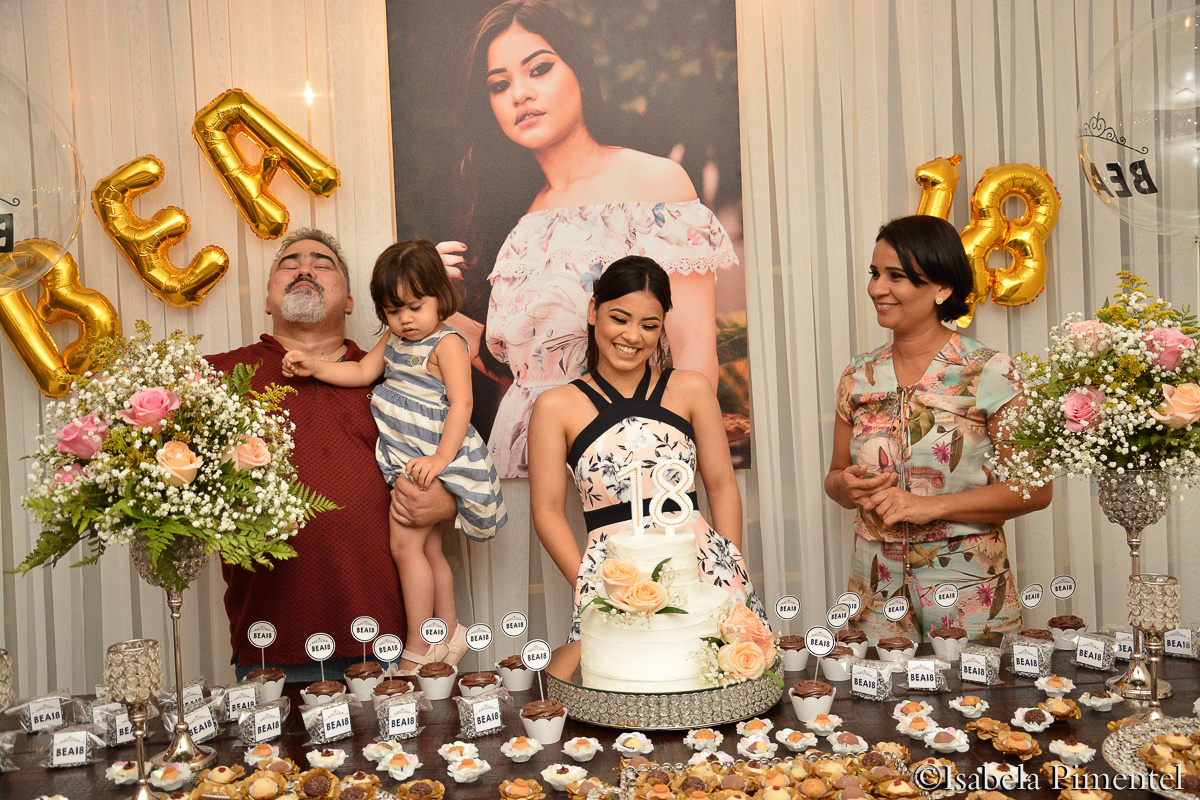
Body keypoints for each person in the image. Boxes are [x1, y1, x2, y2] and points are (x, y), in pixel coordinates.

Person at [441, 0, 739, 478]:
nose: (520, 94)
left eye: (539, 69)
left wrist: (670, 472)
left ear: (579, 74)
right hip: (519, 469)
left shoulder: (654, 184)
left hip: (627, 465)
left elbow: (693, 350)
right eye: (499, 85)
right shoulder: (515, 216)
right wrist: (430, 300)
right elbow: (519, 370)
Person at [208, 228, 456, 681]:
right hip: (270, 643)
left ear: (351, 303)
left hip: (392, 646)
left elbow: (461, 456)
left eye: (322, 265)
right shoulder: (216, 378)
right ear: (268, 299)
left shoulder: (401, 374)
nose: (305, 268)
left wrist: (446, 502)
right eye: (290, 263)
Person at [824, 216, 1052, 643]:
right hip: (874, 592)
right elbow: (835, 479)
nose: (877, 288)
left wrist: (930, 507)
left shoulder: (989, 370)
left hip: (970, 592)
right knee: (875, 688)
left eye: (896, 276)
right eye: (875, 273)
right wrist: (846, 485)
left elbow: (1035, 489)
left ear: (942, 288)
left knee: (976, 688)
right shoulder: (859, 375)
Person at [283, 239, 507, 672]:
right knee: (430, 549)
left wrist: (440, 461)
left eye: (415, 307)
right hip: (410, 454)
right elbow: (362, 371)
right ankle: (448, 631)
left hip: (432, 455)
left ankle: (420, 645)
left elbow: (462, 404)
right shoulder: (395, 339)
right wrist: (316, 366)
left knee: (405, 548)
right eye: (393, 310)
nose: (405, 319)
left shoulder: (447, 343)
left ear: (440, 297)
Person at [527, 255, 766, 644]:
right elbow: (547, 512)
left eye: (649, 325)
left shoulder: (691, 389)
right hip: (612, 578)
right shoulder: (555, 407)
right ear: (593, 311)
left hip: (702, 570)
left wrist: (728, 566)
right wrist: (590, 585)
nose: (632, 336)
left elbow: (722, 485)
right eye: (619, 319)